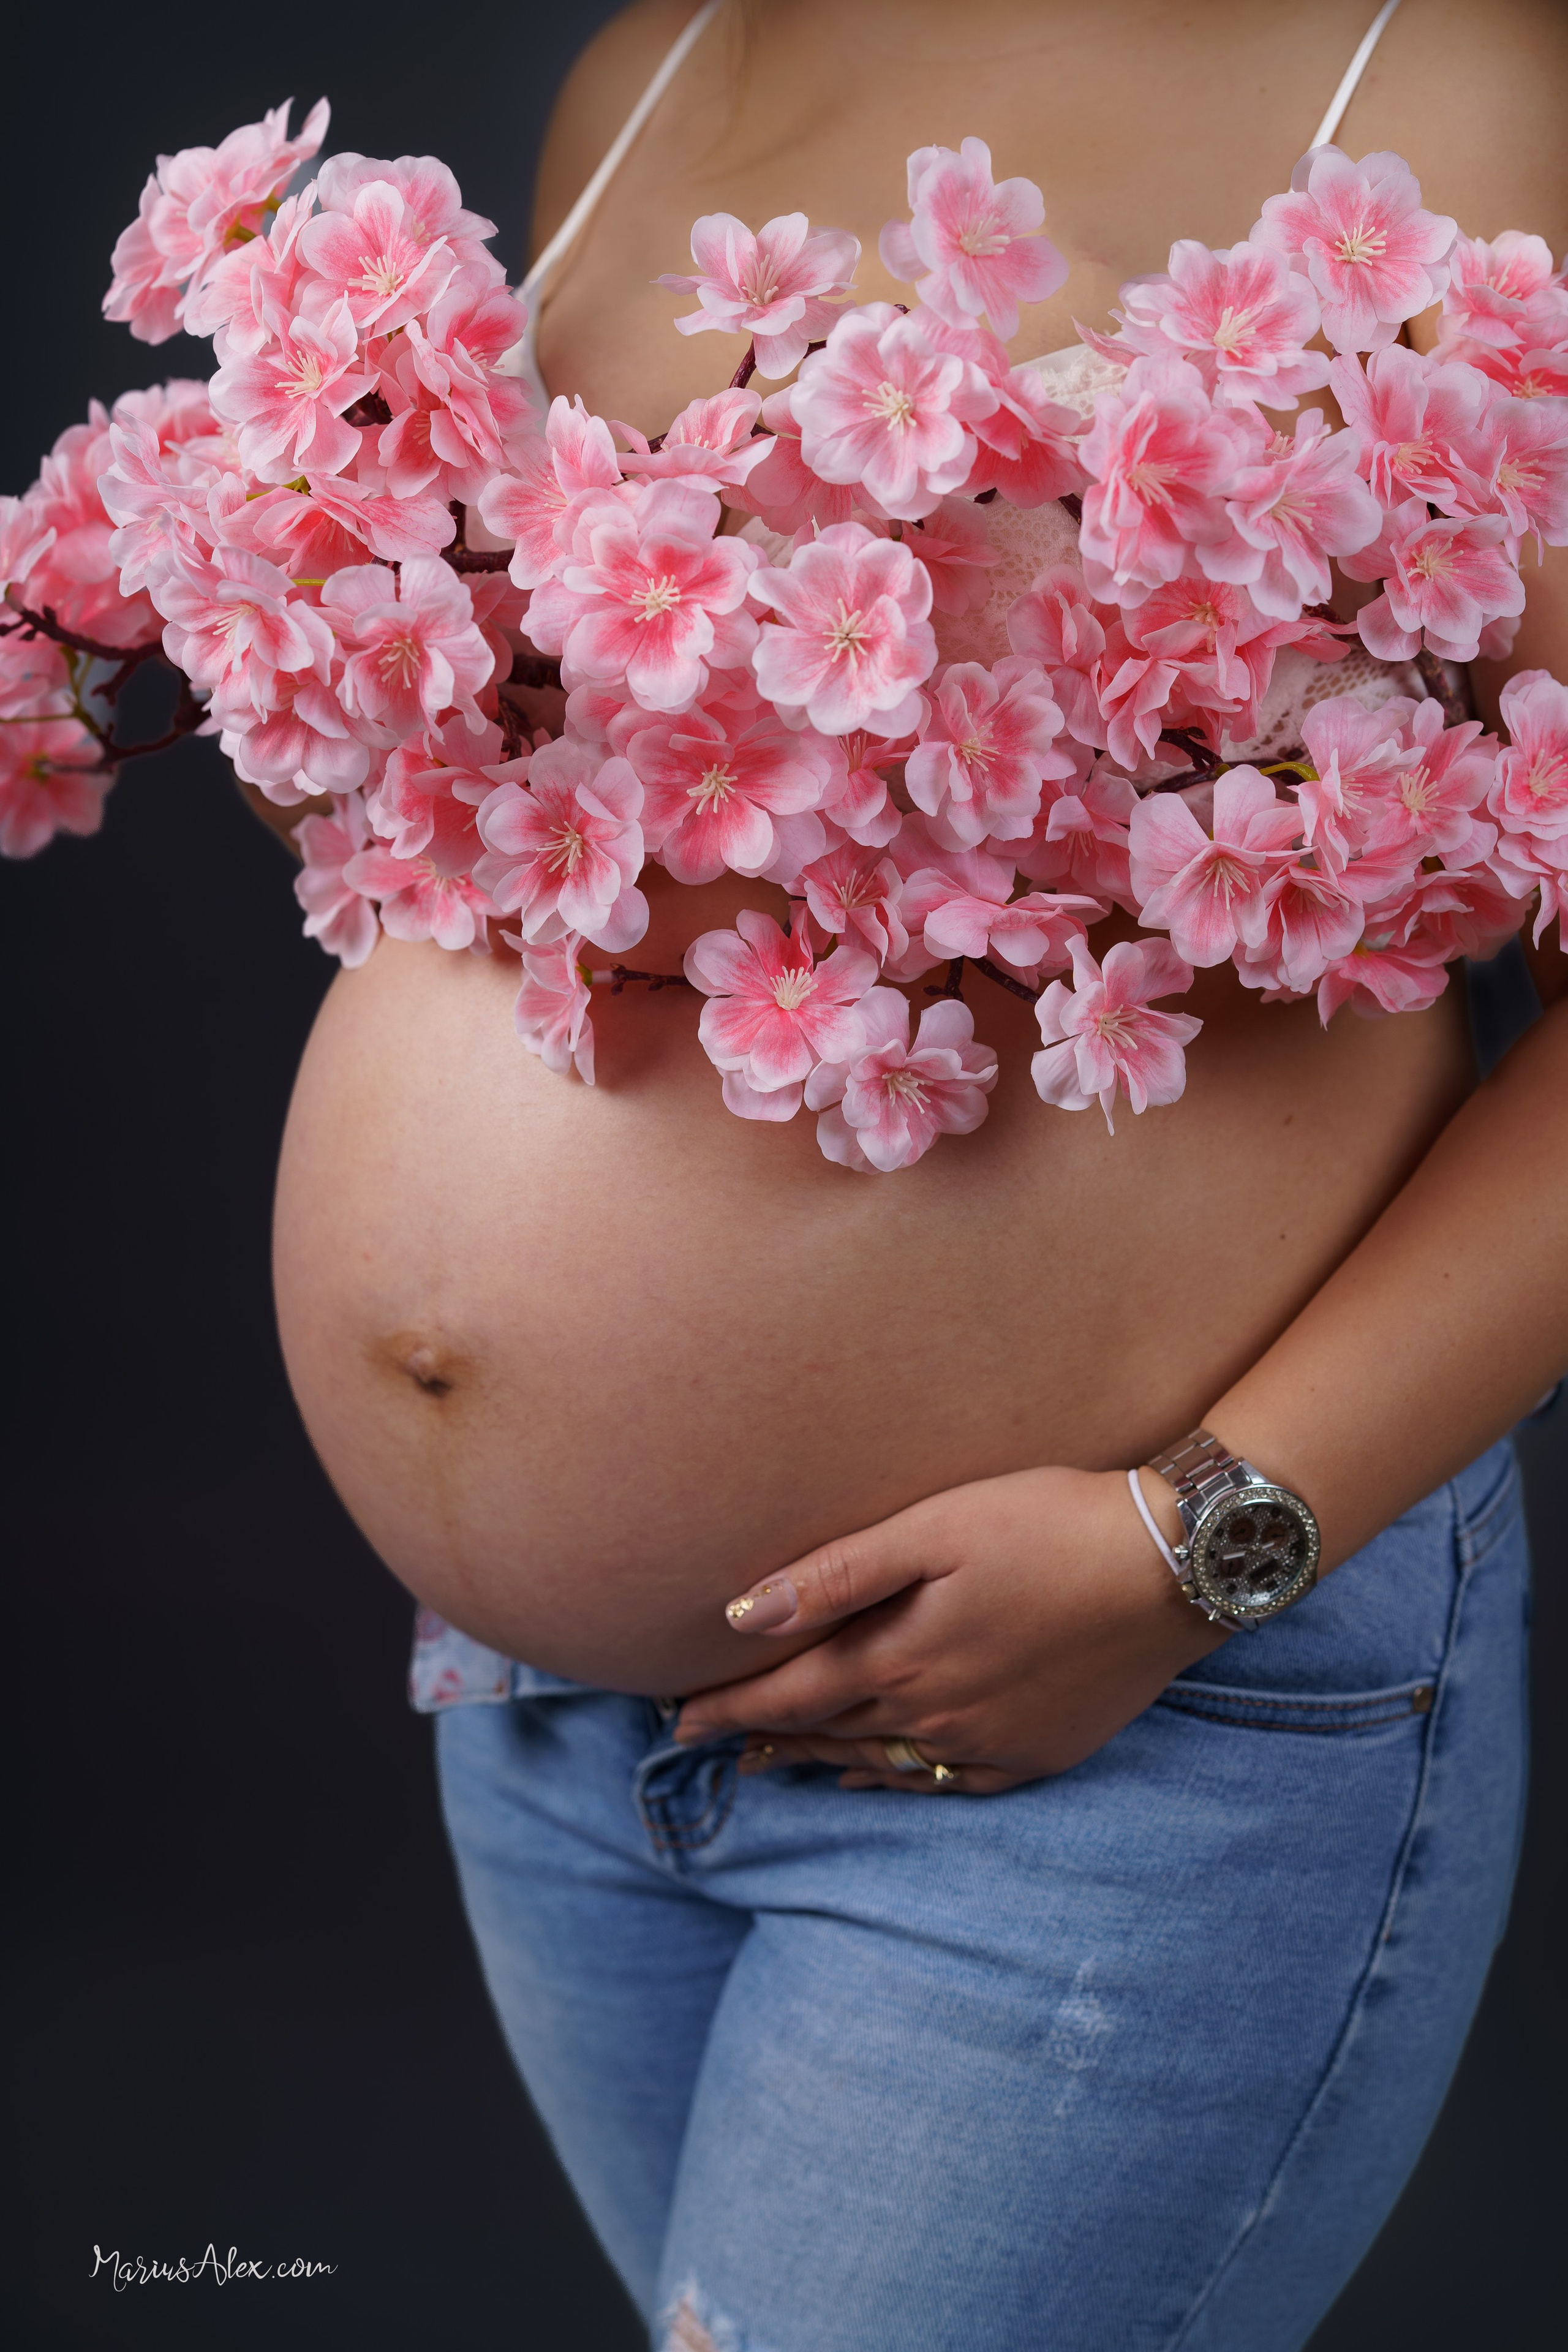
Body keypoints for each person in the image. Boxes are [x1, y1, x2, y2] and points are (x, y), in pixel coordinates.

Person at [268, 3, 1568, 2345]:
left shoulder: (1478, 92)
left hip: (1121, 1697)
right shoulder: (661, 64)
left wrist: (1195, 1544)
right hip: (552, 1715)